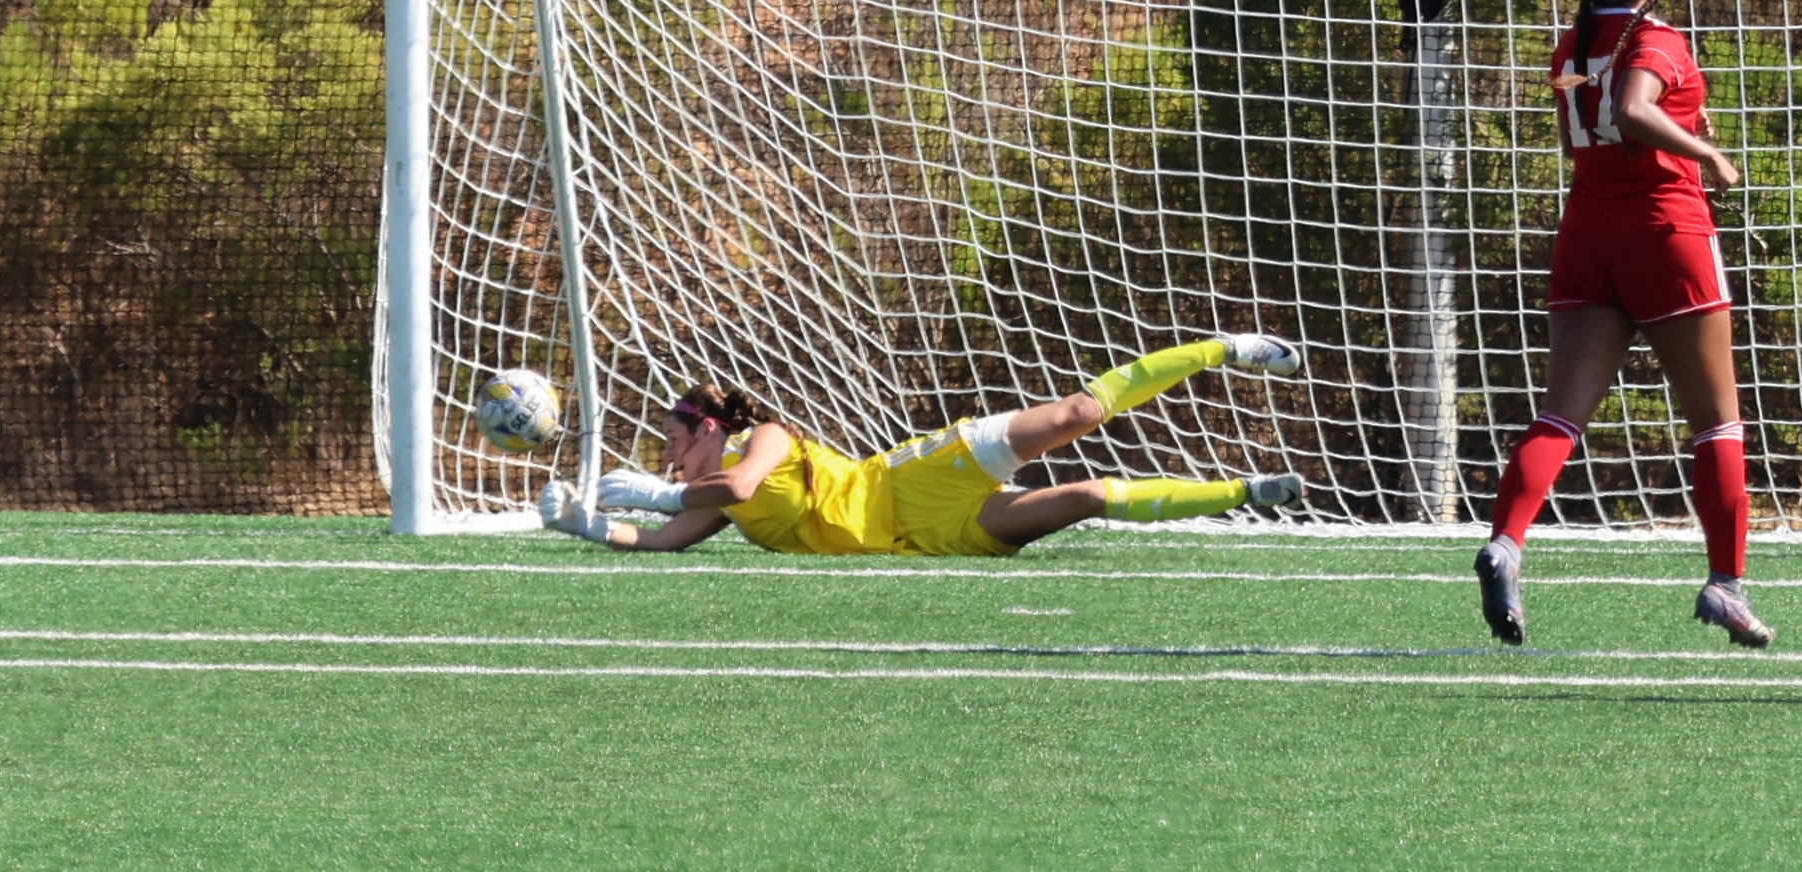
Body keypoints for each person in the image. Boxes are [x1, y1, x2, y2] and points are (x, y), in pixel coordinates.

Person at [1475, 0, 1772, 648]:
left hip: (1587, 237)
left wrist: (1684, 128)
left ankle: (1507, 542)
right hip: (1665, 235)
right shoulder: (1660, 39)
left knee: (1560, 416)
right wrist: (1709, 156)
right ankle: (1726, 586)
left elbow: (1613, 118)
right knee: (1717, 421)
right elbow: (1636, 109)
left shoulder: (1568, 47)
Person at [538, 334, 1306, 557]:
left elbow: (732, 492)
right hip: (924, 538)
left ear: (708, 430)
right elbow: (666, 540)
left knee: (1077, 412)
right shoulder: (706, 503)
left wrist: (662, 491)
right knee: (1089, 496)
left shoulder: (762, 441)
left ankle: (1226, 349)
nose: (666, 455)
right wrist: (585, 524)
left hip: (912, 479)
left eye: (671, 441)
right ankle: (1249, 492)